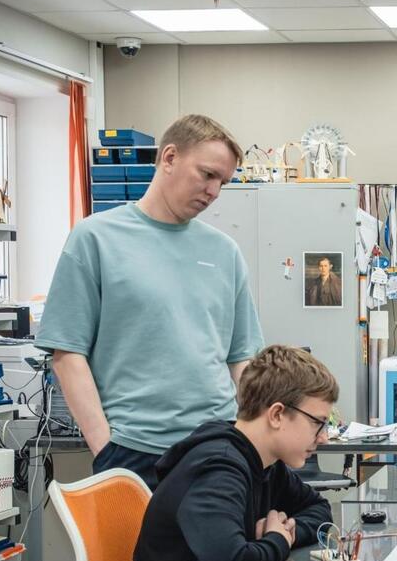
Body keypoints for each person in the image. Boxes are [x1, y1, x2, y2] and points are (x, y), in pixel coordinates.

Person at [36, 114, 263, 490]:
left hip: (216, 446)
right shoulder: (96, 238)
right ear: (169, 158)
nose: (214, 192)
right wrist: (105, 449)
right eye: (207, 174)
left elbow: (242, 359)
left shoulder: (224, 252)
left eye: (222, 182)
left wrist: (254, 441)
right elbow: (67, 354)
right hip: (132, 452)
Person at [133, 344, 336, 561]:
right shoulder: (217, 469)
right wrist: (278, 541)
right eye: (317, 422)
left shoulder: (266, 463)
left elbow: (320, 509)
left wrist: (286, 531)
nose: (324, 437)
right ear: (277, 415)